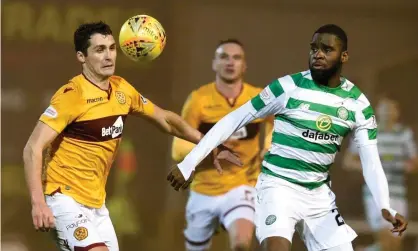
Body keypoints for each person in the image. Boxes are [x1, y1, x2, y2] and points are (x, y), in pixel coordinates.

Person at [167, 24, 408, 251]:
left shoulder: (358, 105)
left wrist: (385, 206)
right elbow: (232, 120)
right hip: (278, 187)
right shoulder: (287, 88)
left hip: (319, 197)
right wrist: (190, 162)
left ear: (344, 56)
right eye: (314, 49)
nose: (318, 55)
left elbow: (371, 162)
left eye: (327, 49)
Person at [23, 21, 240, 251]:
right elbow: (32, 148)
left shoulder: (121, 89)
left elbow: (165, 120)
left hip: (96, 205)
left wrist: (210, 144)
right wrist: (38, 203)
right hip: (62, 199)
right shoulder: (71, 96)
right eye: (99, 50)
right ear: (81, 57)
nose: (109, 56)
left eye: (112, 48)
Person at [172, 39, 273, 251]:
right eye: (224, 57)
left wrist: (267, 149)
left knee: (241, 245)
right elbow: (178, 149)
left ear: (244, 66)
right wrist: (213, 152)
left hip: (242, 185)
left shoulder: (258, 97)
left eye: (237, 57)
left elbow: (278, 121)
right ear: (214, 64)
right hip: (203, 189)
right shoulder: (199, 99)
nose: (230, 62)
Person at [343, 96, 417, 251]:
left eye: (390, 109)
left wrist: (406, 166)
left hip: (398, 193)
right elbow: (348, 161)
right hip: (375, 193)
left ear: (397, 112)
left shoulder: (404, 134)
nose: (387, 113)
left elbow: (414, 163)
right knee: (385, 236)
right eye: (384, 109)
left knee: (394, 244)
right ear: (377, 111)